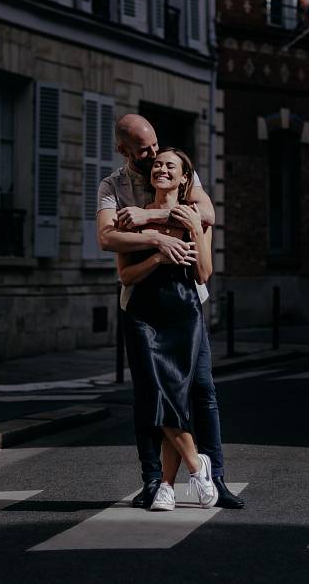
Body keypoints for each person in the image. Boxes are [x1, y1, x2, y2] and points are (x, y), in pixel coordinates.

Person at [97, 114, 244, 510]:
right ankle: (155, 481)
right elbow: (107, 238)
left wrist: (147, 217)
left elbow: (206, 216)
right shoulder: (112, 186)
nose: (155, 156)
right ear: (124, 150)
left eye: (156, 146)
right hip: (140, 304)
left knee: (202, 390)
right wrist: (158, 243)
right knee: (149, 394)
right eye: (145, 151)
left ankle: (215, 478)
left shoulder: (180, 172)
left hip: (185, 304)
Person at [116, 148, 216, 511]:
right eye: (158, 164)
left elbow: (203, 274)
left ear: (184, 177)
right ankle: (197, 465)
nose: (161, 169)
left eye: (170, 166)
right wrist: (158, 255)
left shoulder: (195, 218)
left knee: (175, 394)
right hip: (143, 314)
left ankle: (167, 486)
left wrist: (194, 229)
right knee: (155, 392)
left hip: (183, 313)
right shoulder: (134, 218)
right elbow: (125, 275)